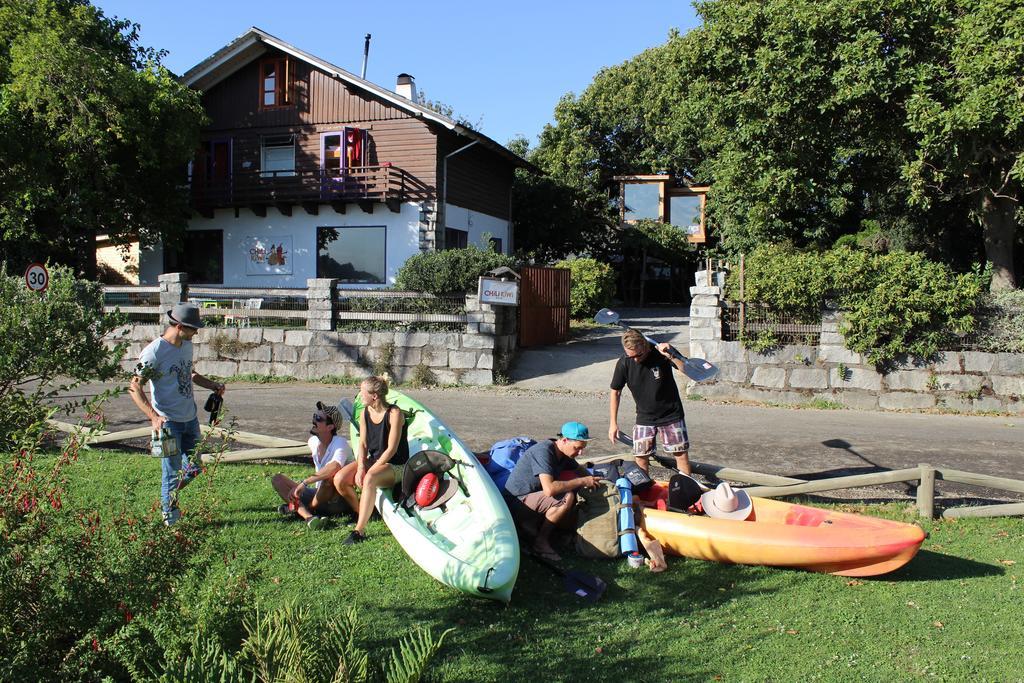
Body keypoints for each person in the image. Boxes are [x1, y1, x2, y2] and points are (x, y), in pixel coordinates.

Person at [128, 302, 226, 526]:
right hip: (167, 423)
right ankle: (169, 517)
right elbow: (134, 386)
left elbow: (189, 373)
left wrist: (212, 385)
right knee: (171, 472)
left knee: (195, 468)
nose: (197, 332)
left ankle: (167, 497)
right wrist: (154, 416)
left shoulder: (185, 345)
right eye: (194, 328)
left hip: (190, 419)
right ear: (180, 326)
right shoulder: (154, 352)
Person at [502, 421, 603, 561]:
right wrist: (583, 481)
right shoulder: (543, 451)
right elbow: (549, 490)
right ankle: (540, 542)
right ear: (565, 440)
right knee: (566, 497)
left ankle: (532, 529)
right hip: (515, 503)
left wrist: (598, 481)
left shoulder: (564, 454)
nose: (580, 453)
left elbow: (581, 471)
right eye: (577, 448)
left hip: (532, 500)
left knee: (573, 492)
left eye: (582, 449)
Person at [337, 376, 410, 545]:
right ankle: (363, 510)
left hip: (397, 465)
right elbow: (362, 443)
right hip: (374, 461)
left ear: (375, 396)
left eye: (362, 392)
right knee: (340, 479)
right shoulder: (364, 412)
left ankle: (359, 530)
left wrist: (368, 471)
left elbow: (391, 450)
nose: (359, 395)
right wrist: (361, 466)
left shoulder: (394, 414)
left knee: (369, 478)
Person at [608, 328, 692, 475]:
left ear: (645, 345)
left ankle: (686, 491)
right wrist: (613, 423)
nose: (635, 359)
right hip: (644, 417)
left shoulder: (661, 353)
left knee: (680, 455)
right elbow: (615, 392)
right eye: (630, 356)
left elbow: (686, 369)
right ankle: (645, 491)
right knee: (640, 457)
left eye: (638, 355)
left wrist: (672, 355)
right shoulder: (624, 363)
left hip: (671, 414)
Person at [271, 401, 353, 529]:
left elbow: (334, 467)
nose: (314, 420)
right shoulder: (313, 441)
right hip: (317, 493)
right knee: (278, 479)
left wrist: (304, 483)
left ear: (330, 427)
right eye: (314, 416)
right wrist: (301, 487)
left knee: (328, 479)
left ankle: (304, 509)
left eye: (319, 419)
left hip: (336, 500)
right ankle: (309, 517)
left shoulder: (340, 443)